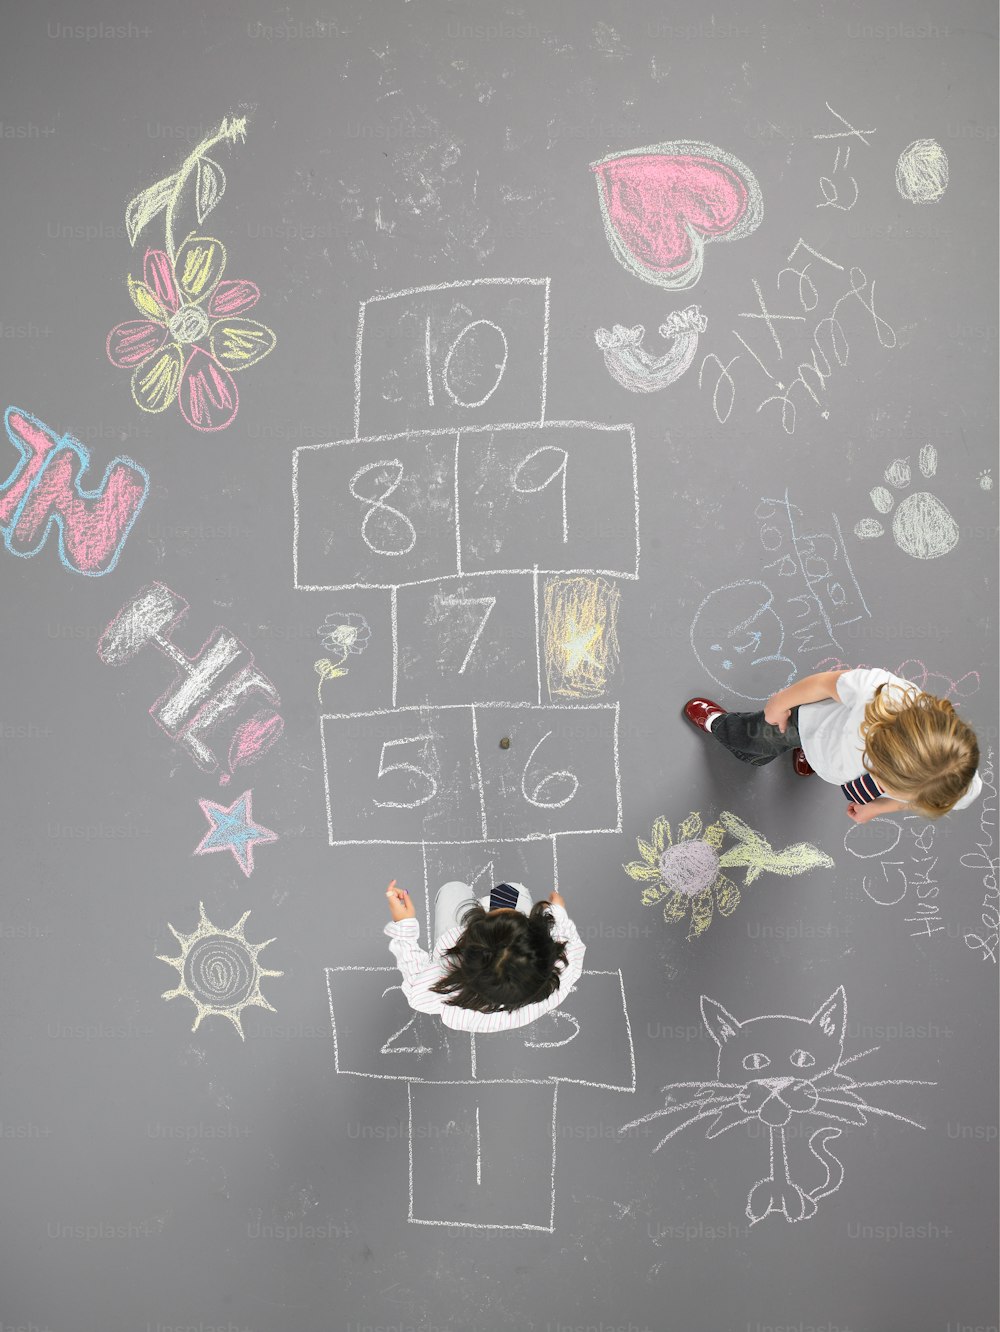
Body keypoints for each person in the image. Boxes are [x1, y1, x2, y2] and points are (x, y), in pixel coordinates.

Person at [684, 666, 981, 822]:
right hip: (812, 723)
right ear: (878, 757)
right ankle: (721, 726)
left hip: (831, 762)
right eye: (889, 784)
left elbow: (915, 801)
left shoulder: (952, 784)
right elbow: (825, 684)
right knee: (755, 738)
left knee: (819, 758)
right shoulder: (880, 695)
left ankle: (809, 757)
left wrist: (880, 808)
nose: (894, 793)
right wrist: (780, 703)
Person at [383, 878, 586, 1032]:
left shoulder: (444, 980)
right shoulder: (563, 967)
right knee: (512, 890)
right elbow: (570, 940)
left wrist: (404, 924)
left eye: (486, 918)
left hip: (459, 947)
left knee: (453, 890)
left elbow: (415, 988)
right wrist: (558, 912)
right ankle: (500, 904)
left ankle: (473, 903)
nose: (504, 909)